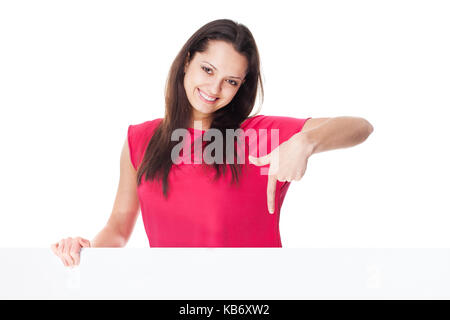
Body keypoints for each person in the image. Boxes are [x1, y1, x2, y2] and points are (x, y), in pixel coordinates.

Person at [51, 19, 374, 267]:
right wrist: (87, 251)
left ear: (241, 86)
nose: (215, 88)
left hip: (255, 297)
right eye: (208, 69)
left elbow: (360, 127)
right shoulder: (141, 139)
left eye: (230, 81)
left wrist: (305, 142)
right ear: (188, 61)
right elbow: (119, 229)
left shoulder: (259, 134)